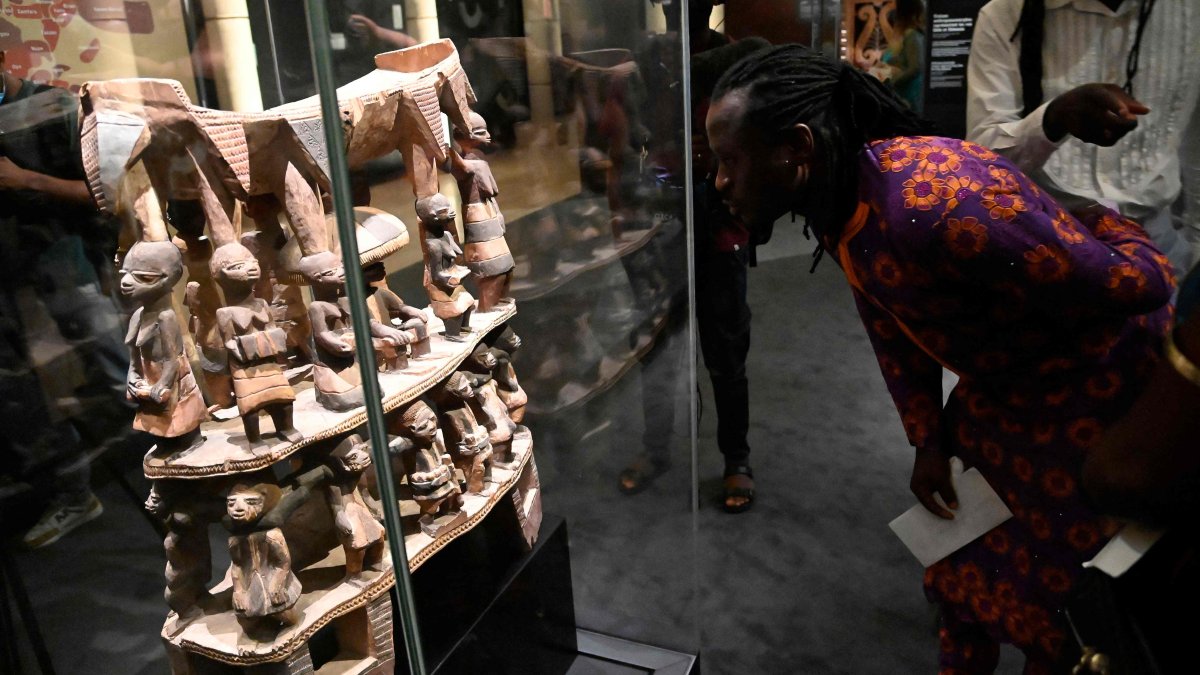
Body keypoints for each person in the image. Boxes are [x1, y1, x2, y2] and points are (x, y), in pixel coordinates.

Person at [706, 44, 1173, 672]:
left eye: (729, 160)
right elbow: (889, 318)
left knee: (1062, 616)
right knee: (961, 578)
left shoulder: (936, 205)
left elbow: (1137, 287)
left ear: (796, 146)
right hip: (1003, 391)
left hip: (1095, 394)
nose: (720, 182)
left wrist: (1103, 222)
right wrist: (928, 438)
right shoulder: (839, 197)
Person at [966, 0, 1200, 273]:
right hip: (1042, 249)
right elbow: (981, 162)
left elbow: (1195, 146)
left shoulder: (1190, 13)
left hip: (1161, 252)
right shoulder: (1007, 13)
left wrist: (1196, 253)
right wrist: (1051, 120)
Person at [1, 50, 127, 548]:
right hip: (13, 281)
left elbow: (108, 192)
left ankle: (186, 466)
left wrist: (28, 180)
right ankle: (72, 492)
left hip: (66, 268)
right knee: (24, 398)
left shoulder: (50, 107)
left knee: (120, 373)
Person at [882, 0, 925, 113]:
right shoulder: (905, 35)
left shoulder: (912, 36)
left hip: (907, 96)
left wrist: (892, 82)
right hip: (901, 96)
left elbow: (915, 67)